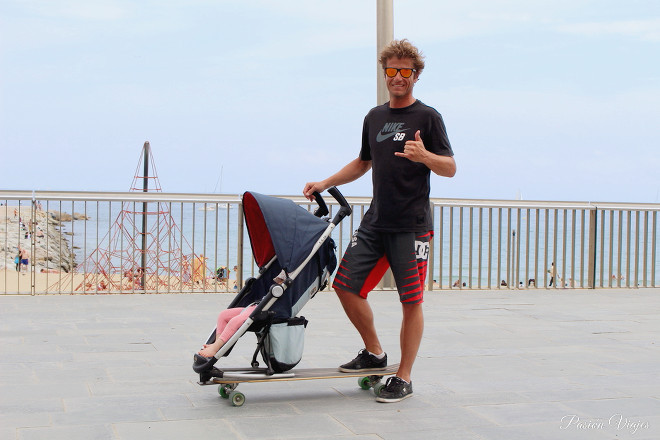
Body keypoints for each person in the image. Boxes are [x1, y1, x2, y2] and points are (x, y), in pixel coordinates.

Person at [303, 39, 456, 403]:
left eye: (405, 71)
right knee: (344, 285)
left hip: (412, 225)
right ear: (384, 72)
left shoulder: (428, 117)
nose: (398, 77)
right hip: (375, 221)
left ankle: (403, 376)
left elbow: (450, 167)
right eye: (392, 70)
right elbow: (362, 162)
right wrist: (326, 182)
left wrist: (425, 156)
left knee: (410, 301)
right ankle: (374, 352)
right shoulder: (374, 117)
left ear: (416, 75)